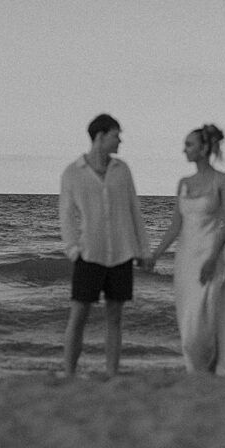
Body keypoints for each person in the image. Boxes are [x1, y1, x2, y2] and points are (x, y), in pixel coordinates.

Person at [142, 124, 225, 374]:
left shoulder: (222, 180)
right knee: (189, 317)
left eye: (189, 144)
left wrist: (213, 257)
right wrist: (156, 254)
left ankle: (215, 367)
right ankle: (197, 369)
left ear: (204, 148)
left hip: (210, 255)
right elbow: (176, 225)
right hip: (185, 258)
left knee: (207, 315)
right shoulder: (183, 183)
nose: (184, 149)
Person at [59, 113, 149, 378]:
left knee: (115, 317)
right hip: (89, 254)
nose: (120, 140)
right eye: (115, 135)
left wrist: (143, 250)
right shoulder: (73, 173)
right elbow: (66, 215)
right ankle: (69, 374)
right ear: (100, 137)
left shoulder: (123, 170)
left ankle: (112, 374)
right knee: (78, 316)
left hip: (121, 253)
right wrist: (73, 249)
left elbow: (135, 210)